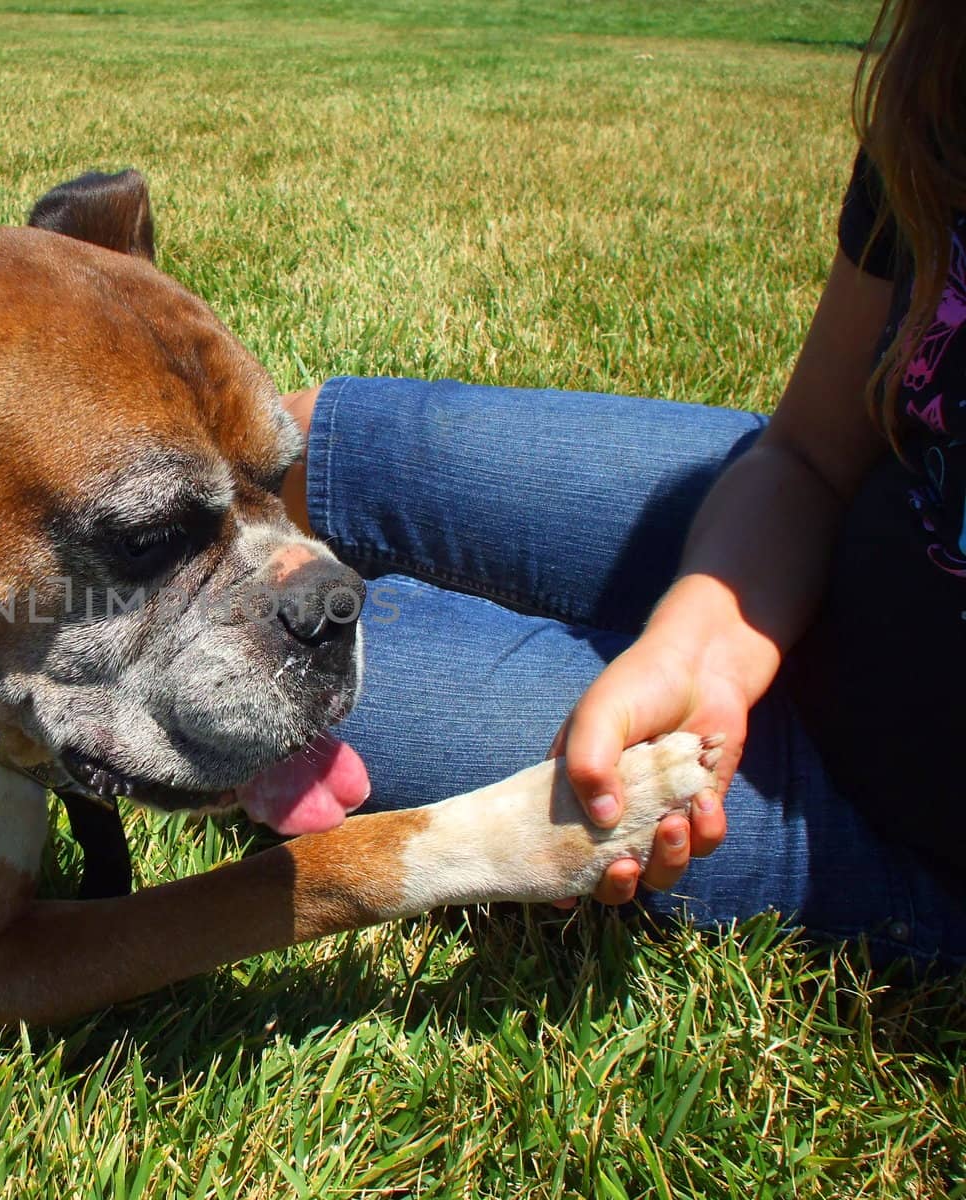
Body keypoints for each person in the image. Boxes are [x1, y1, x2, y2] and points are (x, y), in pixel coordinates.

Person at [279, 0, 966, 963]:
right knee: (318, 444)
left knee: (296, 680)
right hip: (834, 526)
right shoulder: (948, 73)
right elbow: (813, 449)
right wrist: (706, 648)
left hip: (904, 817)